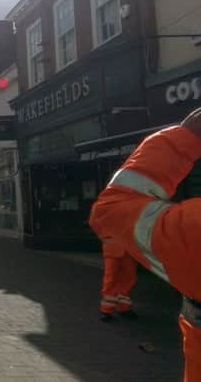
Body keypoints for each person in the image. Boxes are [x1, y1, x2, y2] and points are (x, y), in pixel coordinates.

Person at [89, 107, 201, 382]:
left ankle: (118, 306)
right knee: (114, 279)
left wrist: (184, 138)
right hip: (119, 248)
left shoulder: (191, 230)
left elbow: (111, 210)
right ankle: (110, 307)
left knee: (122, 279)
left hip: (128, 245)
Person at [99, 241, 138, 322]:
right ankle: (106, 310)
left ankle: (123, 307)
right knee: (110, 280)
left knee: (128, 279)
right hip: (112, 248)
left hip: (129, 250)